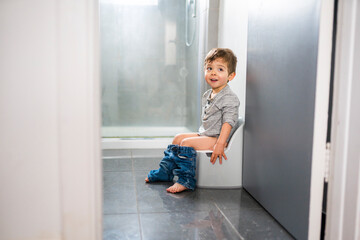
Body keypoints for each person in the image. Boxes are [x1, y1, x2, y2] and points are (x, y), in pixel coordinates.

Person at [145, 48, 240, 193]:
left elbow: (229, 122)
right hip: (206, 134)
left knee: (186, 143)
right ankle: (165, 171)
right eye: (209, 68)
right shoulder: (209, 94)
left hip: (217, 138)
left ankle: (186, 180)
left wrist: (220, 143)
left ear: (230, 76)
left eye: (220, 69)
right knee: (178, 138)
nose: (213, 72)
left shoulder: (229, 97)